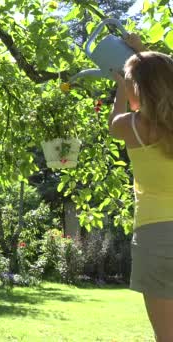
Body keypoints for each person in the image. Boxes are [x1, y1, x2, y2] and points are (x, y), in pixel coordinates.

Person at [109, 34, 173, 341]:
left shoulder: (131, 127)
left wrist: (121, 88)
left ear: (137, 88)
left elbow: (114, 121)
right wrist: (142, 52)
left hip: (155, 236)